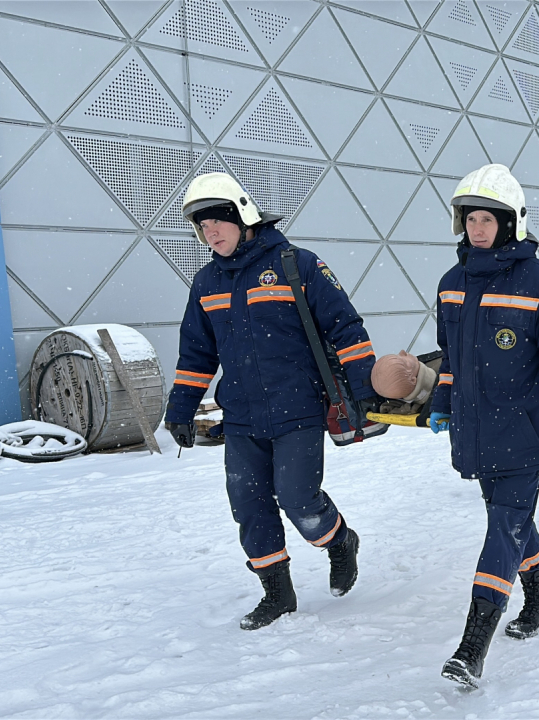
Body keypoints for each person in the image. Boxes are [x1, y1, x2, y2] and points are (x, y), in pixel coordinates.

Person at [162, 172, 379, 631]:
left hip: (298, 408)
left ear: (243, 216)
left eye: (217, 222)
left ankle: (339, 541)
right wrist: (180, 408)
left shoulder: (296, 265)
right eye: (202, 227)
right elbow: (196, 353)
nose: (211, 233)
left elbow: (346, 329)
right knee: (249, 504)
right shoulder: (206, 284)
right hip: (241, 416)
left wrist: (365, 387)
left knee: (299, 498)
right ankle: (277, 594)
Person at [430, 164, 539, 689]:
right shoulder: (451, 283)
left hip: (525, 432)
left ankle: (472, 646)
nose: (478, 228)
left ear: (512, 223)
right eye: (471, 219)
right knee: (511, 521)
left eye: (488, 219)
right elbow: (450, 358)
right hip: (476, 430)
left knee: (502, 527)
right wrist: (441, 399)